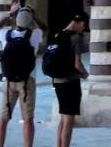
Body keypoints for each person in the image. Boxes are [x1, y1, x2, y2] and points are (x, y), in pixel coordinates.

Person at [0, 0, 44, 147]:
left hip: (8, 81)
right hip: (27, 82)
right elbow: (45, 28)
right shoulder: (34, 35)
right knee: (28, 119)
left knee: (3, 118)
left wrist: (10, 13)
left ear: (16, 19)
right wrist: (34, 16)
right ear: (30, 21)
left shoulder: (5, 35)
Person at [48, 13, 87, 147]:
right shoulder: (75, 38)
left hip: (57, 81)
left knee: (63, 117)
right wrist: (87, 75)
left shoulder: (58, 35)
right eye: (84, 26)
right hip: (70, 82)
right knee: (69, 119)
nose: (83, 29)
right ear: (81, 23)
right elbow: (77, 64)